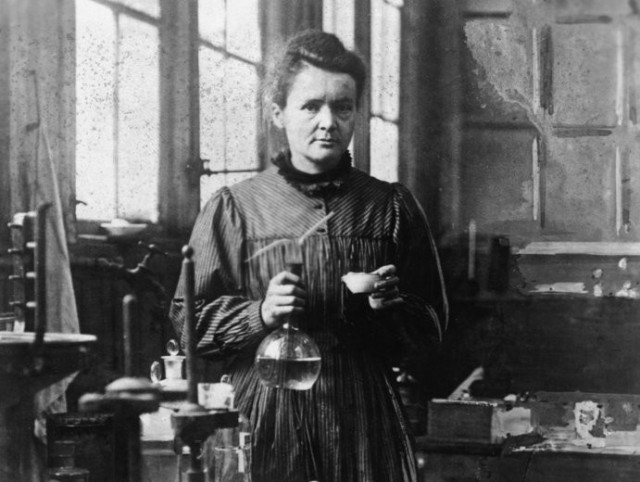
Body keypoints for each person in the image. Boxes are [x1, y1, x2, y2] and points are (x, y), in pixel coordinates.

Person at [170, 30, 448, 482]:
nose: (328, 122)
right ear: (278, 113)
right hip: (264, 416)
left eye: (343, 107)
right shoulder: (235, 208)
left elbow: (432, 328)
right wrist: (259, 314)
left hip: (363, 418)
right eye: (310, 106)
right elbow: (186, 325)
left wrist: (387, 310)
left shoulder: (390, 207)